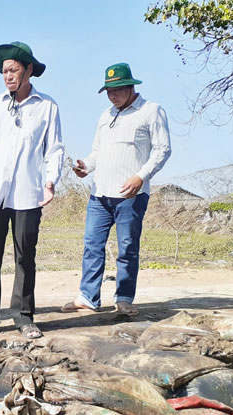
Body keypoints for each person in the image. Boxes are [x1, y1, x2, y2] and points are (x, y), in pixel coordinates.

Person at [0, 42, 64, 339]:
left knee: (25, 256)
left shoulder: (46, 106)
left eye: (13, 70)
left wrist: (50, 181)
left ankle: (23, 316)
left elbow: (55, 149)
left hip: (28, 194)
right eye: (4, 71)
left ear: (29, 70)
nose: (8, 75)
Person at [63, 63, 171, 317]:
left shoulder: (151, 111)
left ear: (131, 86)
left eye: (118, 89)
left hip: (130, 194)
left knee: (127, 247)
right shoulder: (106, 115)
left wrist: (140, 177)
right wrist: (85, 166)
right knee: (92, 244)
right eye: (109, 90)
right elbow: (98, 152)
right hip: (99, 194)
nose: (113, 94)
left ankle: (124, 298)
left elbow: (162, 150)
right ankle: (88, 297)